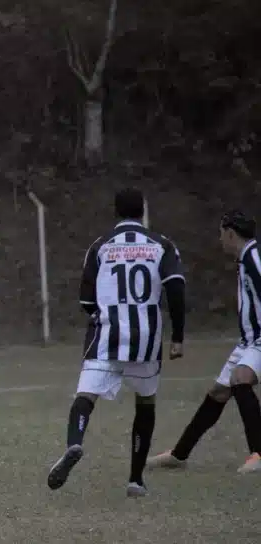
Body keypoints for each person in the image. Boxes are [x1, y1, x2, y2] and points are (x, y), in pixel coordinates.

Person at [47, 188, 186, 497]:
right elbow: (175, 289)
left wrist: (103, 314)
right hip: (147, 336)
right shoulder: (162, 245)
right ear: (142, 211)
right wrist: (177, 336)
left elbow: (85, 299)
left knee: (86, 395)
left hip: (108, 333)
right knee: (145, 402)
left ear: (116, 212)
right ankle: (136, 480)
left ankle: (75, 443)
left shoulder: (100, 246)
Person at [148, 210, 261, 474]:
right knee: (218, 393)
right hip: (247, 342)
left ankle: (259, 453)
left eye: (221, 234)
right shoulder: (246, 259)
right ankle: (178, 455)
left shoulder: (254, 258)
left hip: (259, 340)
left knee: (240, 379)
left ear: (231, 233)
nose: (219, 240)